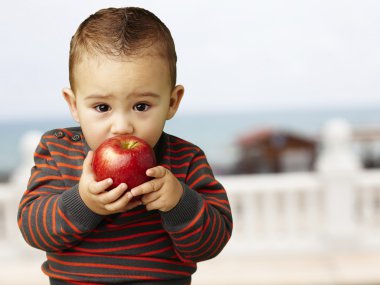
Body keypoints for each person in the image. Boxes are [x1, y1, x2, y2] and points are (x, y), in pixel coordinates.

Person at [17, 6, 233, 285]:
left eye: (141, 106)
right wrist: (84, 202)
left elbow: (211, 244)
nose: (121, 126)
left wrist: (180, 203)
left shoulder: (186, 160)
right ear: (74, 104)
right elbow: (33, 229)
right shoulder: (58, 151)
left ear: (171, 102)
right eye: (102, 107)